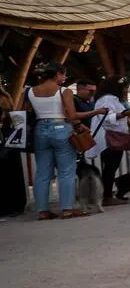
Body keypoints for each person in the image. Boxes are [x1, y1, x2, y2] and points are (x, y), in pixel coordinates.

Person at [24, 63, 85, 219]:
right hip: (61, 128)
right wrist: (94, 112)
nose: (64, 78)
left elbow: (25, 112)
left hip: (40, 130)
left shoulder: (30, 91)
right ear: (57, 74)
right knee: (66, 171)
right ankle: (67, 208)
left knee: (42, 173)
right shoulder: (63, 91)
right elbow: (71, 116)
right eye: (64, 75)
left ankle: (42, 211)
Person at [88, 77, 130, 207]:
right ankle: (107, 197)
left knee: (110, 168)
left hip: (110, 137)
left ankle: (108, 195)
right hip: (109, 138)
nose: (125, 90)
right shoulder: (108, 99)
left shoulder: (109, 99)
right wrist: (127, 113)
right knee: (110, 169)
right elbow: (107, 117)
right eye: (124, 88)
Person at [0, 86, 28, 216]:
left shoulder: (4, 98)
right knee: (12, 173)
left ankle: (9, 206)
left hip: (4, 139)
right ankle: (15, 205)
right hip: (9, 140)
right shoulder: (6, 97)